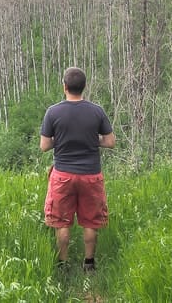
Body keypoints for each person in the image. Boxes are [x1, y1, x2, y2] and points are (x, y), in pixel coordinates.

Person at [40, 66, 115, 273]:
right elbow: (110, 142)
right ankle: (89, 264)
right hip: (91, 174)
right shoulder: (96, 111)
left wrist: (62, 140)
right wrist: (92, 140)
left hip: (62, 175)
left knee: (62, 222)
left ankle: (63, 265)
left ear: (64, 86)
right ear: (84, 87)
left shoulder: (53, 112)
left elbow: (44, 146)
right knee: (90, 221)